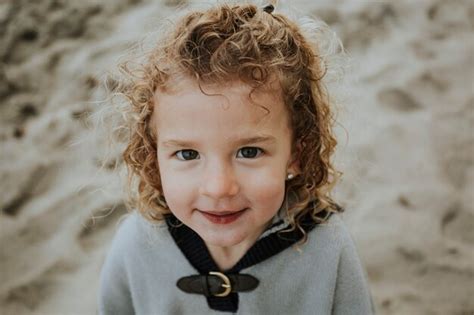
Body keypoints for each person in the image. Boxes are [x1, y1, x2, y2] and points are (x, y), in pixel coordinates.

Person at [98, 2, 374, 314]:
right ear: (153, 157)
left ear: (297, 152)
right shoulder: (136, 244)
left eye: (249, 152)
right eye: (187, 154)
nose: (218, 188)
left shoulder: (328, 248)